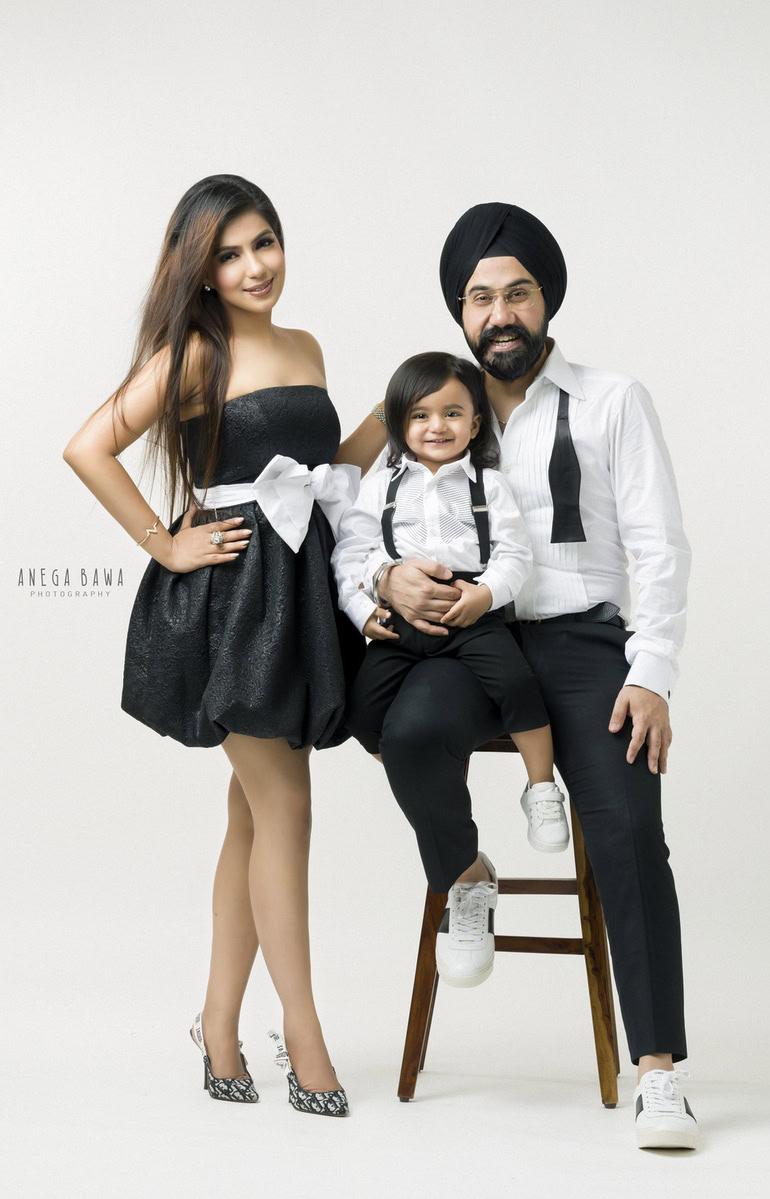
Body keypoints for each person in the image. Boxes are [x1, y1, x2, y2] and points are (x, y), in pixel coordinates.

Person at [350, 202, 697, 1150]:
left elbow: (661, 545)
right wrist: (383, 578)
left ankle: (658, 1072)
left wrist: (652, 669)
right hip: (471, 638)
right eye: (479, 298)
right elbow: (352, 496)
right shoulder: (430, 410)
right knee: (407, 730)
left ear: (546, 301)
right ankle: (466, 873)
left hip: (586, 642)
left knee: (626, 826)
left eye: (517, 293)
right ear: (458, 313)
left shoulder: (612, 399)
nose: (499, 313)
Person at [62, 174, 380, 1118]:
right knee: (288, 812)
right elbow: (87, 446)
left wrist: (406, 406)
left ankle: (220, 1023)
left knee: (252, 818)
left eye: (265, 243)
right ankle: (307, 1036)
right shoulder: (191, 353)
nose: (254, 266)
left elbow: (324, 473)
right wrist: (165, 541)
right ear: (200, 271)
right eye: (231, 253)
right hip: (232, 605)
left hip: (298, 589)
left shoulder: (306, 345)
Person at [332, 351, 570, 983]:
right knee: (356, 711)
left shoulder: (487, 484)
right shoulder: (379, 484)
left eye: (453, 413)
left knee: (516, 681)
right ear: (395, 422)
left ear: (475, 422)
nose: (437, 426)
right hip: (401, 619)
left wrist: (484, 596)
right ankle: (465, 872)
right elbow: (352, 553)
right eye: (420, 414)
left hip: (474, 611)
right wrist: (365, 607)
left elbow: (514, 552)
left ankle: (541, 787)